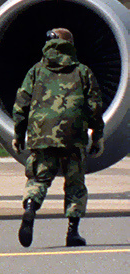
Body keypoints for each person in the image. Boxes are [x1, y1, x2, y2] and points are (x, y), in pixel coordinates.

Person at [13, 27, 104, 247]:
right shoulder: (82, 71)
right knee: (75, 184)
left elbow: (21, 104)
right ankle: (72, 232)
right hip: (73, 137)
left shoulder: (35, 71)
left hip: (42, 135)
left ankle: (30, 208)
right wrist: (98, 136)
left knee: (39, 178)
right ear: (70, 45)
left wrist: (18, 134)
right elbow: (95, 107)